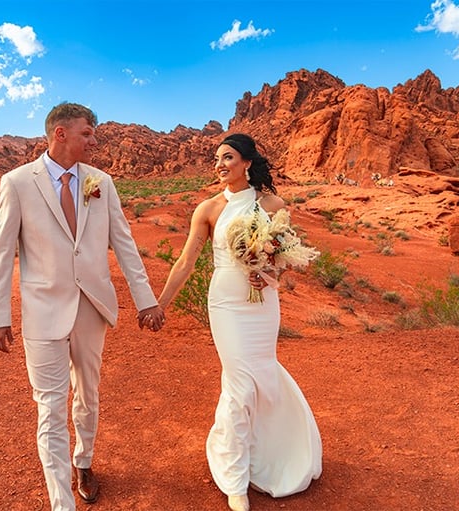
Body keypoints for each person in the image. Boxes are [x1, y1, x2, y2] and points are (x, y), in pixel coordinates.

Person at [0, 102, 165, 511]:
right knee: (49, 407)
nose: (94, 141)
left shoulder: (101, 181)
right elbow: (1, 253)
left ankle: (83, 460)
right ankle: (61, 503)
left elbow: (124, 243)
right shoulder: (16, 183)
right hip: (43, 310)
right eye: (87, 133)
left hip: (91, 307)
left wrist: (146, 299)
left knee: (88, 392)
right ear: (60, 133)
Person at [156, 133, 322, 511]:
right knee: (238, 382)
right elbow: (186, 262)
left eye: (227, 157)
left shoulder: (273, 204)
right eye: (216, 159)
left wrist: (266, 268)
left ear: (247, 162)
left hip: (262, 301)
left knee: (260, 375)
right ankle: (235, 477)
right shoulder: (209, 209)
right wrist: (160, 304)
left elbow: (285, 258)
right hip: (227, 303)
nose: (219, 165)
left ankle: (270, 452)